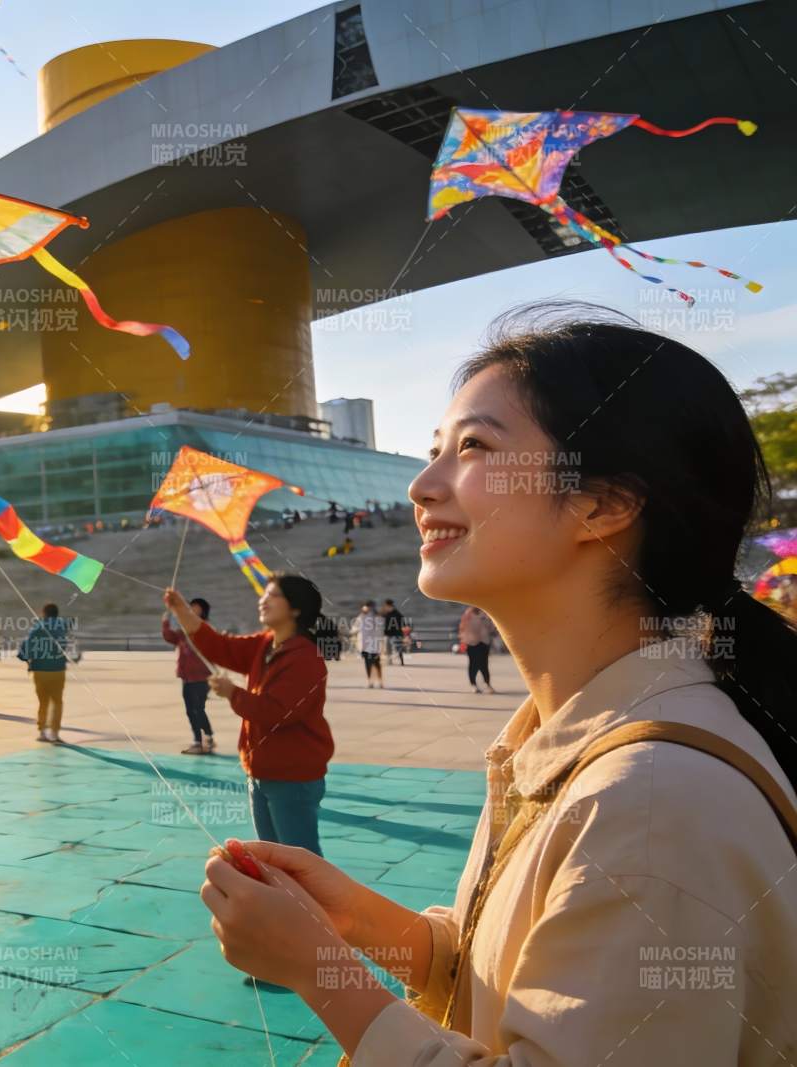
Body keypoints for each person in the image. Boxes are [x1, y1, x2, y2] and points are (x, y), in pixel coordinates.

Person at [199, 305, 797, 1063]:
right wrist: (363, 923)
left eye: (474, 447)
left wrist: (327, 976)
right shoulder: (567, 736)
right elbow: (518, 968)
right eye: (434, 450)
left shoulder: (653, 801)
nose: (421, 486)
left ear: (603, 504)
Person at [165, 576, 332, 855]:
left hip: (292, 777)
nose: (263, 600)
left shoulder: (305, 658)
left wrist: (233, 693)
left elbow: (278, 712)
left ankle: (311, 901)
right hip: (260, 772)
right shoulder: (266, 644)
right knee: (271, 857)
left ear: (296, 609)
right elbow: (220, 647)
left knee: (301, 862)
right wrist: (181, 610)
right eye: (264, 594)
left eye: (273, 595)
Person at [161, 596, 215, 754]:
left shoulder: (205, 630)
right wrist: (166, 620)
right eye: (191, 608)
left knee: (197, 709)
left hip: (202, 677)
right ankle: (206, 737)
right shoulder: (183, 631)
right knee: (193, 710)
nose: (192, 611)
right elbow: (169, 637)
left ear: (204, 612)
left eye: (196, 609)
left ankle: (200, 741)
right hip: (187, 677)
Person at [18, 603, 69, 743]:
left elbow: (25, 648)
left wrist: (25, 659)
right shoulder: (63, 626)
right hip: (58, 669)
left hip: (40, 670)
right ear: (57, 614)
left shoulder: (37, 627)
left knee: (43, 702)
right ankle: (55, 733)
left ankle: (42, 732)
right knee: (57, 702)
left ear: (44, 613)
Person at [458, 605, 496, 693]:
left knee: (484, 664)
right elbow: (462, 628)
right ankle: (473, 684)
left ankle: (487, 684)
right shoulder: (468, 615)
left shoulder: (486, 614)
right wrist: (462, 641)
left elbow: (491, 626)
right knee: (473, 664)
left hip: (484, 641)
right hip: (471, 642)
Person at [356, 601, 384, 688]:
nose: (365, 608)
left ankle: (379, 681)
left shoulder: (377, 617)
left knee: (376, 664)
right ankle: (370, 681)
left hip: (374, 645)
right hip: (364, 645)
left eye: (367, 607)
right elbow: (357, 630)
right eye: (365, 607)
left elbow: (380, 632)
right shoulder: (361, 617)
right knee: (368, 664)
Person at [381, 599, 406, 666]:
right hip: (387, 634)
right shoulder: (384, 613)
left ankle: (401, 661)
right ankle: (389, 661)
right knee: (387, 648)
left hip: (396, 634)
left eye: (387, 607)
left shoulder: (397, 614)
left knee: (398, 648)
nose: (386, 608)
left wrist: (403, 633)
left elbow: (403, 623)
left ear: (391, 606)